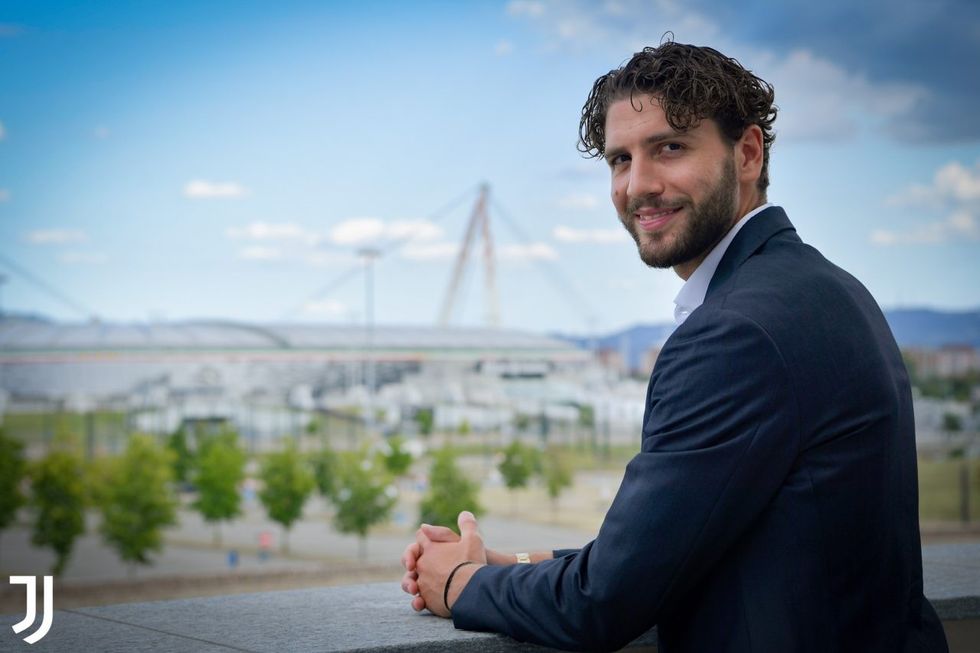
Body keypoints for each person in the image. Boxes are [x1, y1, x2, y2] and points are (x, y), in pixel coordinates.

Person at [400, 41, 949, 652]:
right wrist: (508, 562)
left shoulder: (734, 334)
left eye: (670, 148)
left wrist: (462, 586)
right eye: (619, 159)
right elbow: (682, 544)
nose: (639, 185)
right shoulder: (828, 289)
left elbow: (602, 602)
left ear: (746, 153)